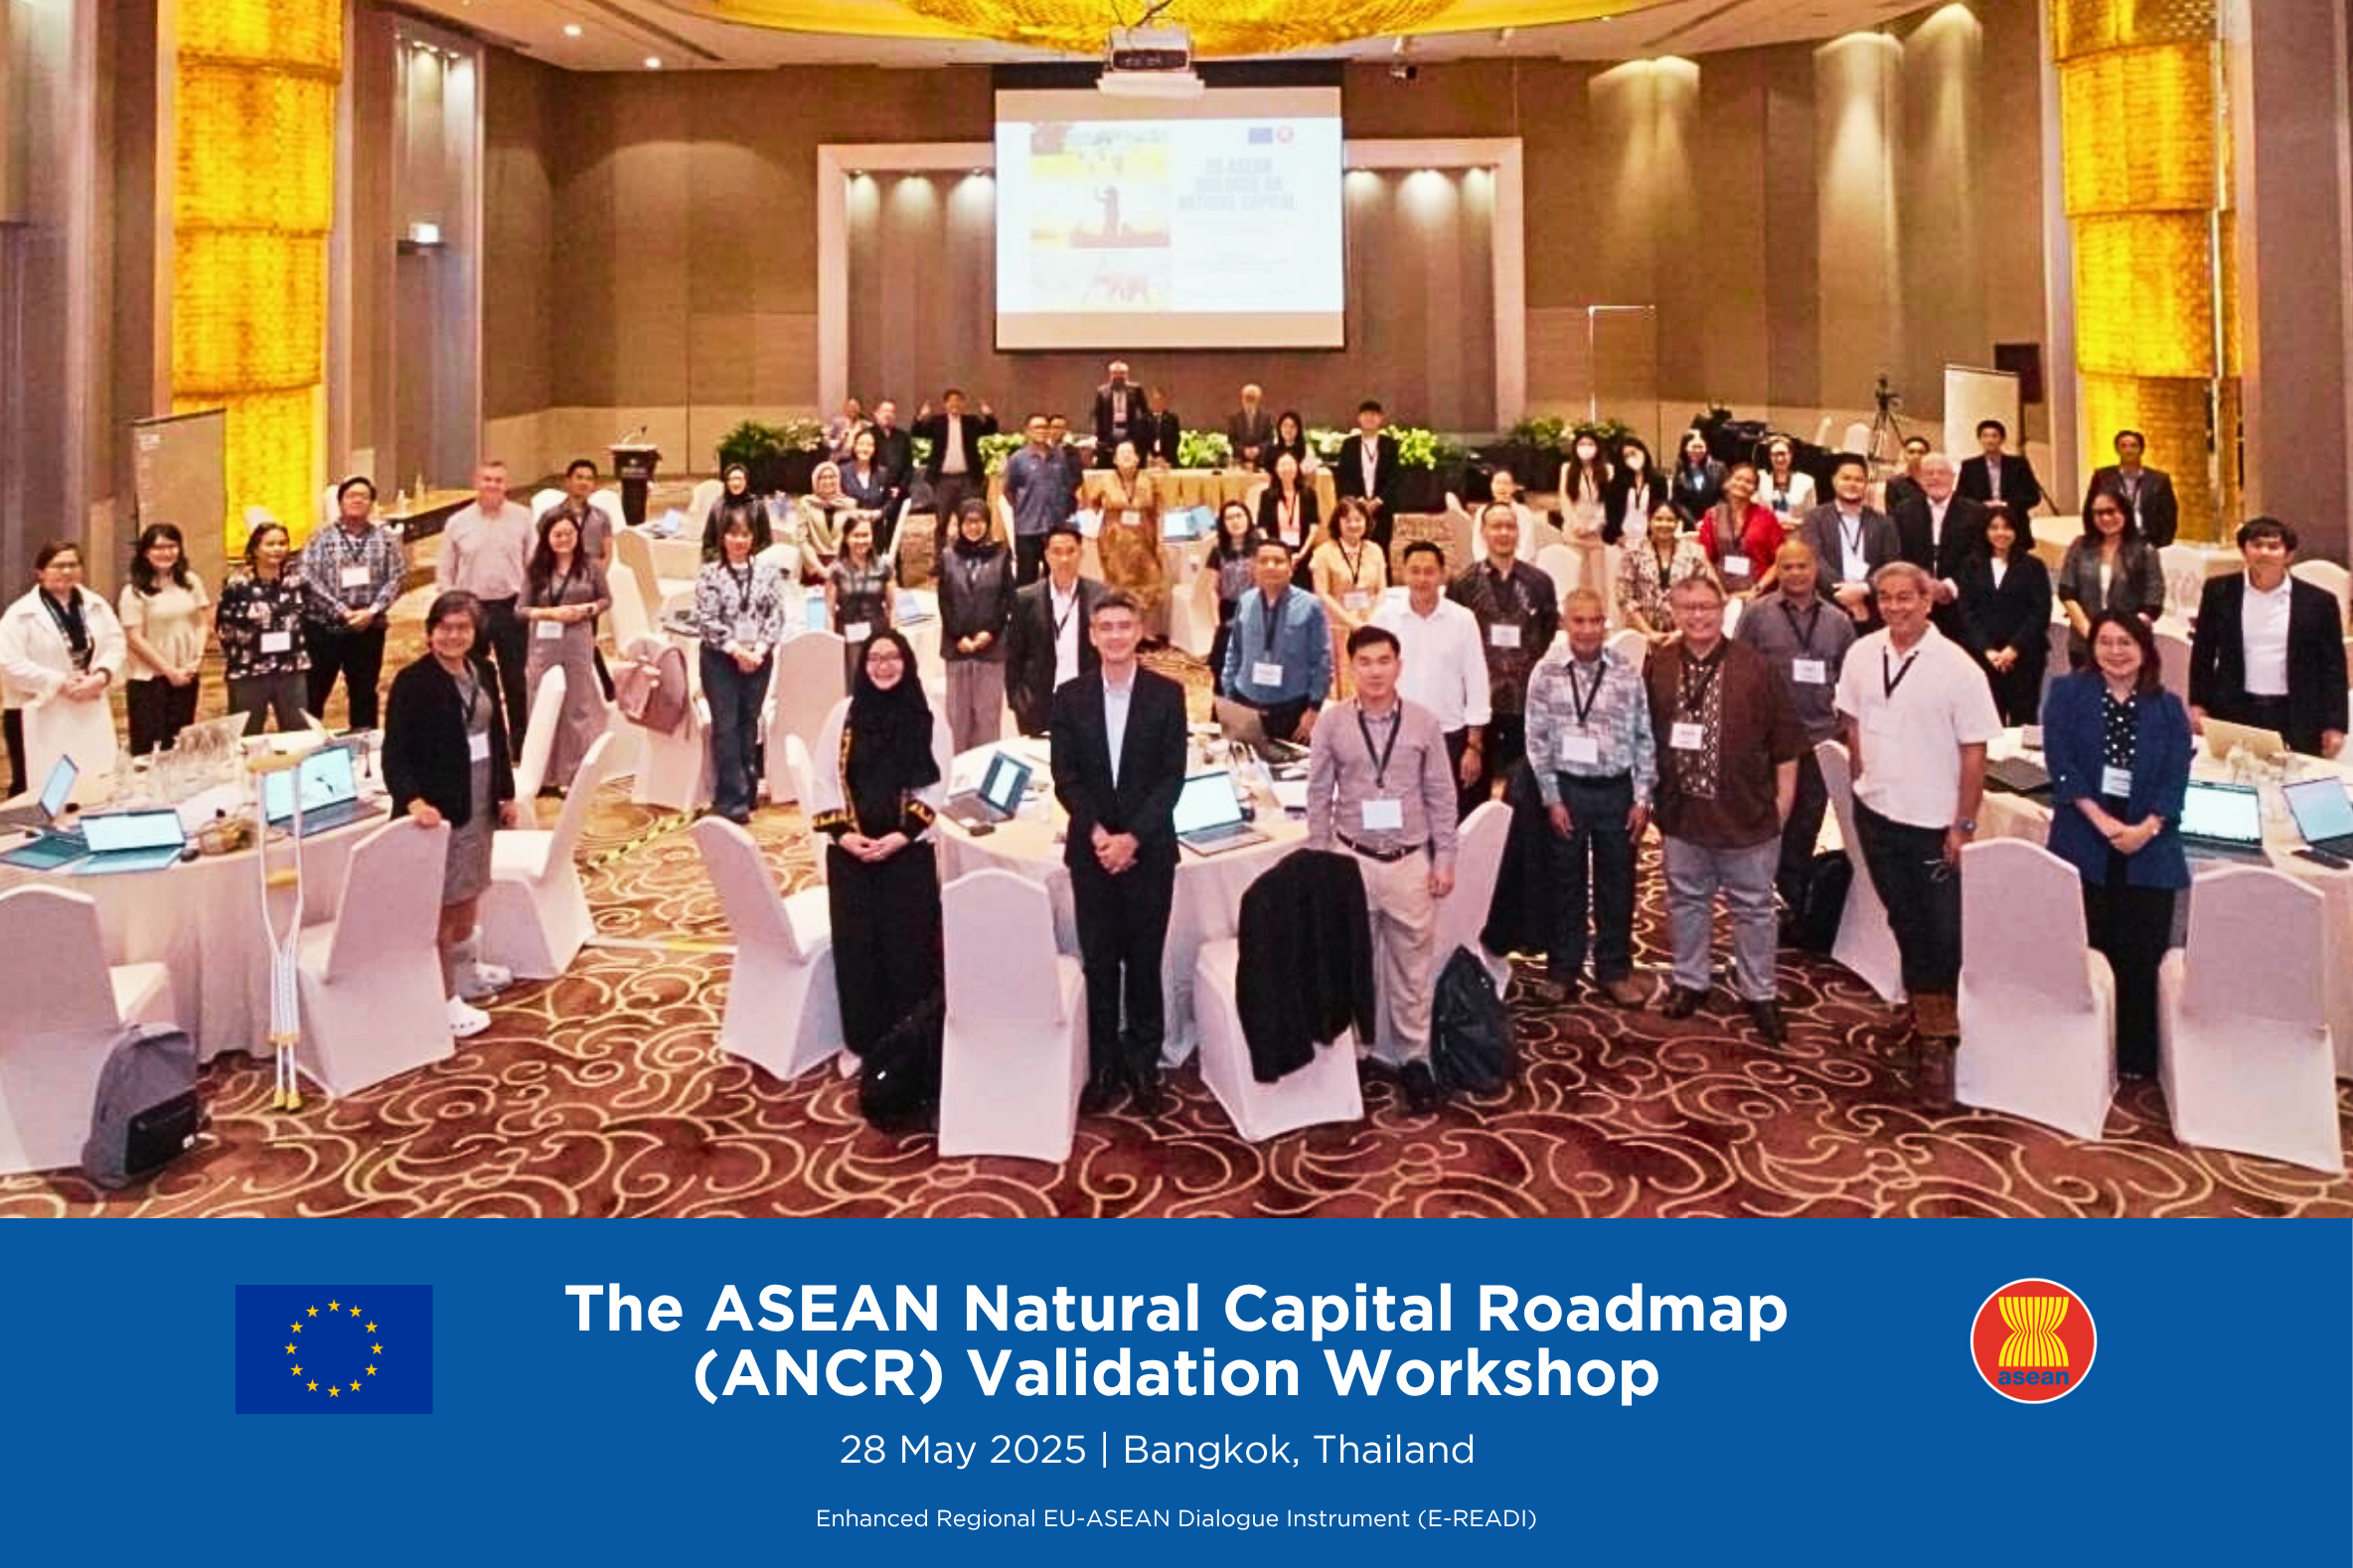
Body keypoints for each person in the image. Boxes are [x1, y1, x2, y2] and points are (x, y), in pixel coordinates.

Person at [1835, 561, 2003, 1101]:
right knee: (1902, 916)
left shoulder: (1958, 668)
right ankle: (1921, 1008)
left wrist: (1964, 823)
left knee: (1940, 930)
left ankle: (1939, 1039)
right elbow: (1851, 719)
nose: (1895, 607)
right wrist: (1860, 773)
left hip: (1932, 823)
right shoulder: (1863, 653)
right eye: (1885, 597)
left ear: (1927, 602)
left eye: (1905, 597)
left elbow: (1974, 751)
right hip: (1876, 811)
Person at [1304, 624, 1459, 1112]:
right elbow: (1317, 794)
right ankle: (1357, 1053)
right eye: (1365, 662)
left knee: (1412, 968)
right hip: (1351, 859)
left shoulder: (1423, 723)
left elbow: (1441, 794)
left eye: (1384, 661)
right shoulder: (1332, 723)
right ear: (1351, 668)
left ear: (1399, 666)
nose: (1375, 671)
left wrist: (1445, 857)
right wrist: (1321, 858)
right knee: (1354, 964)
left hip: (1409, 862)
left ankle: (1414, 1058)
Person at [1645, 574, 1804, 1043]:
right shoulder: (1660, 665)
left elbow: (1787, 746)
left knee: (1754, 907)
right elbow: (1644, 736)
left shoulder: (1756, 667)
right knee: (1686, 900)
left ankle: (1759, 991)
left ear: (1722, 610)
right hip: (1682, 814)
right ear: (1674, 613)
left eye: (1706, 607)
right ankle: (1690, 980)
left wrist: (1782, 806)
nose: (1698, 616)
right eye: (1687, 608)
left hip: (1747, 814)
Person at [1050, 592, 1188, 1115]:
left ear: (1139, 632)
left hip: (1149, 853)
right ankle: (1104, 1063)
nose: (1114, 635)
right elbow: (1066, 777)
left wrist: (1132, 838)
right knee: (1101, 960)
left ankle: (1144, 1063)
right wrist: (1099, 835)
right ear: (1092, 636)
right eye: (1105, 627)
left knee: (1146, 960)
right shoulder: (1069, 697)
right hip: (1092, 854)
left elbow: (1171, 778)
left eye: (1123, 626)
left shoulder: (1167, 695)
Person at [2043, 611, 2193, 1079]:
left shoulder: (2168, 707)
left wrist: (2146, 828)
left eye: (2125, 642)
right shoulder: (2067, 694)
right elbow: (2062, 765)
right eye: (2105, 642)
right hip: (2084, 835)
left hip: (2150, 846)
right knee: (2087, 947)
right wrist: (2105, 824)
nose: (2115, 652)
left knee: (2140, 952)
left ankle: (2133, 1055)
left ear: (2145, 649)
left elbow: (2176, 779)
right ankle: (2081, 1050)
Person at [807, 631, 947, 1077]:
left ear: (907, 662)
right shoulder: (843, 715)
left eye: (892, 658)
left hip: (907, 854)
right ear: (862, 665)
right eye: (874, 659)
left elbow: (937, 784)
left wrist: (902, 836)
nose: (883, 667)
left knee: (909, 951)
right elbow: (823, 779)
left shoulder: (927, 714)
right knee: (857, 952)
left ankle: (908, 1047)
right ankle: (861, 1042)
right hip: (851, 855)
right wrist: (844, 836)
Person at [382, 590, 519, 1040]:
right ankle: (443, 999)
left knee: (470, 888)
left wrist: (505, 793)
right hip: (439, 808)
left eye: (463, 628)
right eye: (445, 627)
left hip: (478, 798)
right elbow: (395, 754)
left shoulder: (482, 671)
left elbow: (497, 737)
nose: (453, 635)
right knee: (442, 904)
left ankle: (466, 970)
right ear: (430, 632)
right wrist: (413, 802)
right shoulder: (414, 682)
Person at [1526, 588, 1655, 1010]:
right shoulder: (1546, 672)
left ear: (1605, 623)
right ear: (1565, 624)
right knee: (1564, 882)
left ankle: (1614, 970)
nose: (1586, 630)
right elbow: (1536, 739)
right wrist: (1551, 798)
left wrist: (1642, 797)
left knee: (1618, 883)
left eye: (1594, 620)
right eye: (1578, 621)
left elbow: (1644, 736)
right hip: (1567, 791)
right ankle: (1562, 969)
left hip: (1616, 790)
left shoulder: (1626, 671)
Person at [1736, 540, 1858, 921]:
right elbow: (1737, 670)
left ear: (1815, 568)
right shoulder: (1757, 615)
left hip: (1818, 739)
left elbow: (1852, 680)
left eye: (1802, 566)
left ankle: (1792, 904)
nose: (1795, 573)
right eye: (1786, 566)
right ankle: (1755, 898)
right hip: (1767, 741)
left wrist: (1844, 730)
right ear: (1777, 570)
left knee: (1806, 824)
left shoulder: (1838, 621)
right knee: (1764, 821)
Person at [2187, 516, 2349, 757]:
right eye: (2256, 545)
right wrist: (2197, 703)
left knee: (2296, 778)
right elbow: (2203, 652)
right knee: (2233, 776)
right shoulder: (2219, 591)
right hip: (2235, 710)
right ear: (2244, 551)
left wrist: (2335, 724)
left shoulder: (2319, 602)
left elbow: (2333, 668)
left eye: (2273, 546)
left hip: (2297, 714)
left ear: (2288, 554)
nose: (2264, 552)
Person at [1373, 541, 1490, 820]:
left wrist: (1474, 746)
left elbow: (1477, 681)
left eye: (1429, 571)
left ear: (1442, 575)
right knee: (1398, 814)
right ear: (1403, 573)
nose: (1422, 579)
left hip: (1448, 735)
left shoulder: (1463, 620)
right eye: (1415, 571)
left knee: (1446, 816)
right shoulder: (1384, 617)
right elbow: (1371, 680)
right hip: (1396, 734)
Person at [1448, 501, 1559, 787]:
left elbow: (1547, 628)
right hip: (1480, 699)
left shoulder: (1539, 582)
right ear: (1483, 532)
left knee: (1523, 784)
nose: (1503, 532)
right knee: (1475, 784)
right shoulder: (1463, 583)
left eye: (1510, 526)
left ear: (1518, 532)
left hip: (1525, 697)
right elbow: (1454, 637)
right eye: (1496, 526)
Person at [0, 542, 127, 783]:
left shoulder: (96, 605)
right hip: (39, 708)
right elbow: (9, 663)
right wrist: (60, 683)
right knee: (43, 784)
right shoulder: (20, 614)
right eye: (58, 566)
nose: (67, 571)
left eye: (73, 565)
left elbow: (116, 644)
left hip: (88, 700)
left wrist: (101, 676)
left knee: (90, 774)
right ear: (40, 572)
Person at [440, 459, 538, 757]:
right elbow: (445, 571)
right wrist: (451, 613)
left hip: (511, 607)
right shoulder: (457, 522)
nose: (492, 485)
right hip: (471, 610)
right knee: (471, 679)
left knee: (516, 680)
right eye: (487, 479)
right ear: (476, 482)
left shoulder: (523, 518)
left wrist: (530, 603)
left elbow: (534, 566)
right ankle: (476, 742)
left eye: (498, 480)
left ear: (506, 485)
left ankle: (521, 746)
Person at [521, 510, 612, 796]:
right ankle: (542, 773)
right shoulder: (536, 569)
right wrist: (550, 613)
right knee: (542, 703)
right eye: (558, 534)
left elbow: (605, 599)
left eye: (569, 533)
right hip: (544, 642)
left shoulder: (590, 566)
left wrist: (588, 609)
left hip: (578, 639)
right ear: (547, 537)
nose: (564, 539)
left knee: (577, 705)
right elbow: (521, 609)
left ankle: (570, 773)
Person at [301, 475, 402, 729]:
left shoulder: (385, 538)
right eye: (351, 496)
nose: (357, 500)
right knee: (313, 692)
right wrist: (342, 610)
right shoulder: (320, 537)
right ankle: (308, 743)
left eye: (364, 497)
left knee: (364, 693)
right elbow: (308, 577)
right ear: (340, 501)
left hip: (368, 629)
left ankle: (364, 745)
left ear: (372, 503)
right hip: (324, 628)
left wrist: (372, 611)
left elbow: (397, 577)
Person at [1221, 540, 1333, 743]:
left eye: (1278, 561)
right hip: (1245, 702)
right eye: (1263, 561)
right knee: (1247, 760)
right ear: (1254, 567)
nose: (1270, 566)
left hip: (1291, 709)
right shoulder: (1246, 600)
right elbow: (1234, 649)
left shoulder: (1310, 606)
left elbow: (1322, 660)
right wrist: (1229, 692)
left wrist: (1313, 709)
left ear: (1291, 568)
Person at [1953, 508, 2053, 725]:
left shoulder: (2033, 566)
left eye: (2007, 527)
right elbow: (1966, 610)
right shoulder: (1970, 565)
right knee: (1986, 721)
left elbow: (2040, 612)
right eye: (1994, 527)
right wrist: (1987, 650)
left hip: (2025, 657)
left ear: (2017, 531)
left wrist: (2013, 649)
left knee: (2025, 720)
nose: (2001, 533)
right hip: (1982, 657)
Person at [117, 523, 211, 756]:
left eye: (172, 546)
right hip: (150, 679)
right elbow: (134, 638)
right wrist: (169, 671)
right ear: (145, 552)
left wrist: (196, 659)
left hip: (186, 673)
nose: (166, 552)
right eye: (158, 547)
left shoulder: (191, 581)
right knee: (150, 748)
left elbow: (202, 621)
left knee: (180, 743)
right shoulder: (133, 591)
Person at [1004, 526, 1105, 736]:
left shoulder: (1100, 596)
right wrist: (1018, 700)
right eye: (1057, 552)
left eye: (1070, 551)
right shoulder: (1026, 598)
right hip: (1039, 703)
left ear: (1081, 553)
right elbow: (1013, 656)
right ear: (1047, 555)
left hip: (1086, 700)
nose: (1064, 559)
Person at [215, 522, 311, 735]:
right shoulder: (237, 584)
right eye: (270, 544)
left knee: (299, 733)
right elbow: (223, 627)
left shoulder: (297, 581)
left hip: (291, 668)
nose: (277, 549)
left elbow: (306, 618)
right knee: (246, 735)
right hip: (248, 670)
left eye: (282, 543)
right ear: (255, 549)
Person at [936, 498, 1016, 753]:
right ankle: (958, 769)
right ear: (960, 524)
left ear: (987, 523)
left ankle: (983, 769)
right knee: (957, 718)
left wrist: (989, 632)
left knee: (987, 717)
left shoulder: (1001, 554)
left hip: (991, 647)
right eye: (968, 522)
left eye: (979, 522)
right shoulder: (948, 556)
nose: (973, 527)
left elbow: (1006, 599)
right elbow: (944, 600)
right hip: (957, 647)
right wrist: (958, 636)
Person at [2054, 491, 2165, 667]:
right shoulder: (2080, 546)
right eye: (2099, 513)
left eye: (2111, 511)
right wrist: (2091, 634)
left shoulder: (2145, 551)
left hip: (2129, 646)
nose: (2105, 518)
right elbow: (2067, 591)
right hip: (2084, 645)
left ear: (2125, 512)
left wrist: (2121, 637)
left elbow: (2154, 600)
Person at [1799, 453, 1900, 626]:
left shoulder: (1884, 523)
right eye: (1846, 478)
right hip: (1826, 606)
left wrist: (1863, 589)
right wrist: (1844, 593)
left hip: (1870, 609)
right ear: (1834, 480)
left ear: (1866, 484)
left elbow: (1891, 565)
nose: (1852, 484)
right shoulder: (1815, 518)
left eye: (1858, 480)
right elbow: (1814, 559)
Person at [1889, 452, 1989, 617]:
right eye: (1929, 473)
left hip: (1964, 602)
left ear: (1953, 477)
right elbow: (1899, 555)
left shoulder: (1977, 513)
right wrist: (1923, 584)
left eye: (1941, 472)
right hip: (1916, 602)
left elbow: (1980, 554)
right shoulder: (1902, 512)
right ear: (1920, 479)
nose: (1935, 478)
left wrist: (1950, 586)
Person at [1311, 497, 1388, 697]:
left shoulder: (1375, 550)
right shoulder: (1323, 553)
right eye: (1348, 520)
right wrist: (1352, 623)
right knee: (1342, 688)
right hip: (1337, 629)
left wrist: (1372, 621)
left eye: (1358, 519)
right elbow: (1322, 593)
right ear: (1338, 522)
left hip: (1370, 626)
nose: (1354, 525)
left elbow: (1381, 589)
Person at [1091, 439, 1167, 631]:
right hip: (1115, 543)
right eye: (1121, 454)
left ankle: (1144, 630)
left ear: (1137, 458)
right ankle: (1121, 627)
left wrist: (1160, 539)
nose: (1126, 457)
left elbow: (1159, 511)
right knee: (1118, 586)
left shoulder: (1150, 481)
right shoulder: (1105, 481)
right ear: (1115, 460)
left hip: (1144, 541)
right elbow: (1092, 504)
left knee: (1148, 583)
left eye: (1130, 453)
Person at [1620, 500, 1714, 642]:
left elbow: (1704, 595)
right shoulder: (1633, 552)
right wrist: (1650, 633)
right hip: (1642, 636)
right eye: (1658, 519)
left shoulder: (1694, 553)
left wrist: (1681, 632)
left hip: (1685, 636)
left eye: (1670, 520)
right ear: (1649, 521)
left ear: (1678, 523)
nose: (1664, 524)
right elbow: (1625, 598)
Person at [912, 389, 997, 544]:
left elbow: (990, 430)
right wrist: (920, 417)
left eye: (958, 400)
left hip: (968, 479)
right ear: (945, 404)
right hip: (943, 480)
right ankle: (940, 556)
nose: (954, 404)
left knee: (969, 518)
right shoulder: (937, 422)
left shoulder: (971, 422)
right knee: (942, 521)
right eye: (951, 401)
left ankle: (969, 552)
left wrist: (989, 415)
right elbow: (918, 432)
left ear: (963, 404)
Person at [826, 514, 894, 692]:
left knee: (880, 682)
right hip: (848, 634)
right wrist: (831, 643)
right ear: (846, 538)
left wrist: (895, 638)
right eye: (856, 535)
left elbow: (892, 607)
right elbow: (829, 612)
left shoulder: (884, 567)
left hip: (878, 632)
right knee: (854, 684)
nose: (861, 540)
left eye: (866, 535)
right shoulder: (836, 570)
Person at [1000, 413, 1068, 587]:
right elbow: (1008, 490)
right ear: (1027, 431)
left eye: (1045, 427)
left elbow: (1065, 487)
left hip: (1054, 528)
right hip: (1027, 529)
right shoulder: (1018, 459)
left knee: (1055, 578)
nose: (1042, 431)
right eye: (1037, 427)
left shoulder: (1059, 457)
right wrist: (1024, 508)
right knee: (1026, 580)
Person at [1696, 461, 1783, 597]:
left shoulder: (1767, 517)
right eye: (1738, 478)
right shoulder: (1713, 515)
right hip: (1720, 592)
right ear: (1727, 482)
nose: (1742, 484)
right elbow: (1703, 557)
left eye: (1749, 482)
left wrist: (1757, 590)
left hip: (1759, 593)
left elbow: (1780, 559)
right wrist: (1718, 591)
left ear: (1755, 489)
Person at [2082, 429, 2179, 549]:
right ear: (2117, 449)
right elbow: (2089, 511)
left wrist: (2160, 546)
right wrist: (2095, 542)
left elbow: (2169, 517)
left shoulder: (2159, 480)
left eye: (2133, 446)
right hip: (2111, 541)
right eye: (2123, 446)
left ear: (2141, 450)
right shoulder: (2103, 477)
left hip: (2146, 543)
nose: (2128, 450)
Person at [1204, 500, 1261, 698]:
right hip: (1227, 611)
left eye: (1239, 516)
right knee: (1221, 665)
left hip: (1256, 610)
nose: (1235, 521)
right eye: (1229, 518)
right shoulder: (1217, 551)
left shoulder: (1261, 549)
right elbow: (1211, 589)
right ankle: (1222, 709)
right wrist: (1216, 621)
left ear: (1248, 519)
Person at [1336, 399, 1401, 545]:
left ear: (1380, 419)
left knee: (1382, 546)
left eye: (1374, 415)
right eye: (1366, 415)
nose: (1369, 418)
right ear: (1359, 418)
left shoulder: (1390, 445)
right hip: (1355, 506)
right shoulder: (1349, 445)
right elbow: (1344, 476)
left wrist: (1378, 501)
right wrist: (1360, 501)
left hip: (1382, 506)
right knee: (1355, 544)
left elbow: (1395, 476)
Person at [1957, 417, 2045, 517]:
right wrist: (1982, 505)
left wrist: (2006, 504)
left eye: (1994, 436)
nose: (1989, 440)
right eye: (1985, 436)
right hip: (1980, 518)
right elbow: (1961, 498)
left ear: (2002, 439)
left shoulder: (2018, 464)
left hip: (2013, 517)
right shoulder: (1969, 466)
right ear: (1979, 440)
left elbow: (2033, 496)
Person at [1256, 449, 1321, 583]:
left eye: (1290, 464)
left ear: (1297, 467)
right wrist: (1274, 550)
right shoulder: (1267, 496)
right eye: (1282, 465)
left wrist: (1302, 554)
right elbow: (1261, 527)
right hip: (1276, 553)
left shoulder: (1309, 494)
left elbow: (1314, 526)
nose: (1287, 469)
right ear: (1276, 469)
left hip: (1302, 552)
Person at [542, 458, 613, 572]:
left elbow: (607, 554)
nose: (584, 482)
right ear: (568, 481)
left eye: (589, 479)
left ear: (594, 485)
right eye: (579, 477)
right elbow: (540, 551)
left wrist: (598, 576)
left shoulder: (602, 516)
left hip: (592, 577)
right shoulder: (550, 515)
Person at [699, 462, 770, 560]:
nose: (736, 483)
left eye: (739, 479)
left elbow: (766, 542)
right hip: (722, 564)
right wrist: (721, 561)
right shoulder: (718, 507)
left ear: (746, 481)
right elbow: (708, 544)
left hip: (751, 564)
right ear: (727, 482)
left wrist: (751, 559)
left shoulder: (757, 506)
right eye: (732, 479)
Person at [797, 461, 858, 576]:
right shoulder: (806, 504)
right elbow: (802, 539)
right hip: (814, 567)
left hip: (843, 565)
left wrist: (837, 564)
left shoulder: (849, 504)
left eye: (832, 477)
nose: (828, 481)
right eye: (823, 477)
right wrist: (820, 569)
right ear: (816, 481)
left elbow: (852, 536)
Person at [866, 399, 914, 535]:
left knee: (893, 530)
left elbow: (908, 467)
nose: (888, 415)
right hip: (873, 492)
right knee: (874, 528)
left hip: (897, 492)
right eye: (884, 411)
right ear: (876, 414)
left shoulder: (903, 437)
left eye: (891, 412)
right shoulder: (868, 435)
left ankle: (891, 549)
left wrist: (900, 488)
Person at [1606, 436, 1662, 545]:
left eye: (1633, 453)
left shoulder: (1658, 481)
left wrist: (1653, 535)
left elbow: (1660, 508)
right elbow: (1611, 511)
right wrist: (1618, 535)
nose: (1631, 458)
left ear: (1643, 452)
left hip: (1648, 538)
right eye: (1626, 456)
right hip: (1622, 538)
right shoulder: (1617, 482)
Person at [839, 427, 894, 523]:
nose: (865, 449)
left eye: (869, 445)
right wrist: (854, 513)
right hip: (849, 525)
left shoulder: (882, 473)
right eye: (861, 444)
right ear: (854, 447)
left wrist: (880, 513)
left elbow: (890, 501)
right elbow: (836, 501)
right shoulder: (842, 472)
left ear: (875, 449)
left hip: (875, 524)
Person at [1756, 436, 1816, 521]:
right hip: (1765, 528)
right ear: (1770, 457)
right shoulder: (1760, 477)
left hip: (1794, 528)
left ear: (1790, 455)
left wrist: (1794, 523)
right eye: (1775, 454)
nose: (1779, 458)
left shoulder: (1807, 481)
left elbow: (1812, 517)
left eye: (1783, 454)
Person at [1091, 361, 1140, 464]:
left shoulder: (1136, 390)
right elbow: (1097, 415)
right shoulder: (1102, 391)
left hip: (1129, 438)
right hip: (1108, 438)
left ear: (1126, 375)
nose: (1118, 376)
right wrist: (1099, 438)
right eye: (1115, 373)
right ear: (1110, 375)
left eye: (1121, 373)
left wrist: (1139, 436)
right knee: (1107, 466)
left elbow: (1144, 413)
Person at [1670, 429, 1724, 522]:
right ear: (1685, 447)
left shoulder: (1719, 468)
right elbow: (1678, 502)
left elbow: (1723, 497)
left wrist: (1709, 519)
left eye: (1700, 447)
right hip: (1689, 523)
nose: (1697, 450)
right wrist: (1693, 522)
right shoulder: (1680, 470)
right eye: (1694, 447)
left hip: (1715, 521)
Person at [1225, 384, 1275, 470]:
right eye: (1247, 397)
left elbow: (1270, 439)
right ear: (1242, 398)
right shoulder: (1234, 418)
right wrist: (1244, 450)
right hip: (1239, 462)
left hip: (1262, 462)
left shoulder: (1266, 418)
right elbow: (1231, 440)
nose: (1249, 400)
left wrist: (1258, 449)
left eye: (1252, 398)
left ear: (1258, 399)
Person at [1882, 434, 1933, 515]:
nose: (1916, 456)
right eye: (1911, 452)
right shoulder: (1894, 483)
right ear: (1905, 455)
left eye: (1921, 452)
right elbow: (1891, 515)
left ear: (1927, 455)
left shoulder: (1934, 481)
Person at [1138, 386, 1181, 468]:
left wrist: (1164, 458)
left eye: (1160, 400)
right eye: (1155, 401)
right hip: (1148, 461)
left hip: (1168, 460)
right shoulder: (1143, 420)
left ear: (1165, 402)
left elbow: (1175, 440)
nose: (1157, 403)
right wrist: (1149, 457)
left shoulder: (1172, 419)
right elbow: (1140, 441)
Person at [825, 395, 867, 462]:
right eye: (850, 406)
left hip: (857, 459)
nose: (852, 409)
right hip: (839, 459)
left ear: (860, 409)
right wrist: (840, 440)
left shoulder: (865, 425)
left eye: (855, 406)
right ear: (845, 408)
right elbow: (828, 443)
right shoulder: (837, 423)